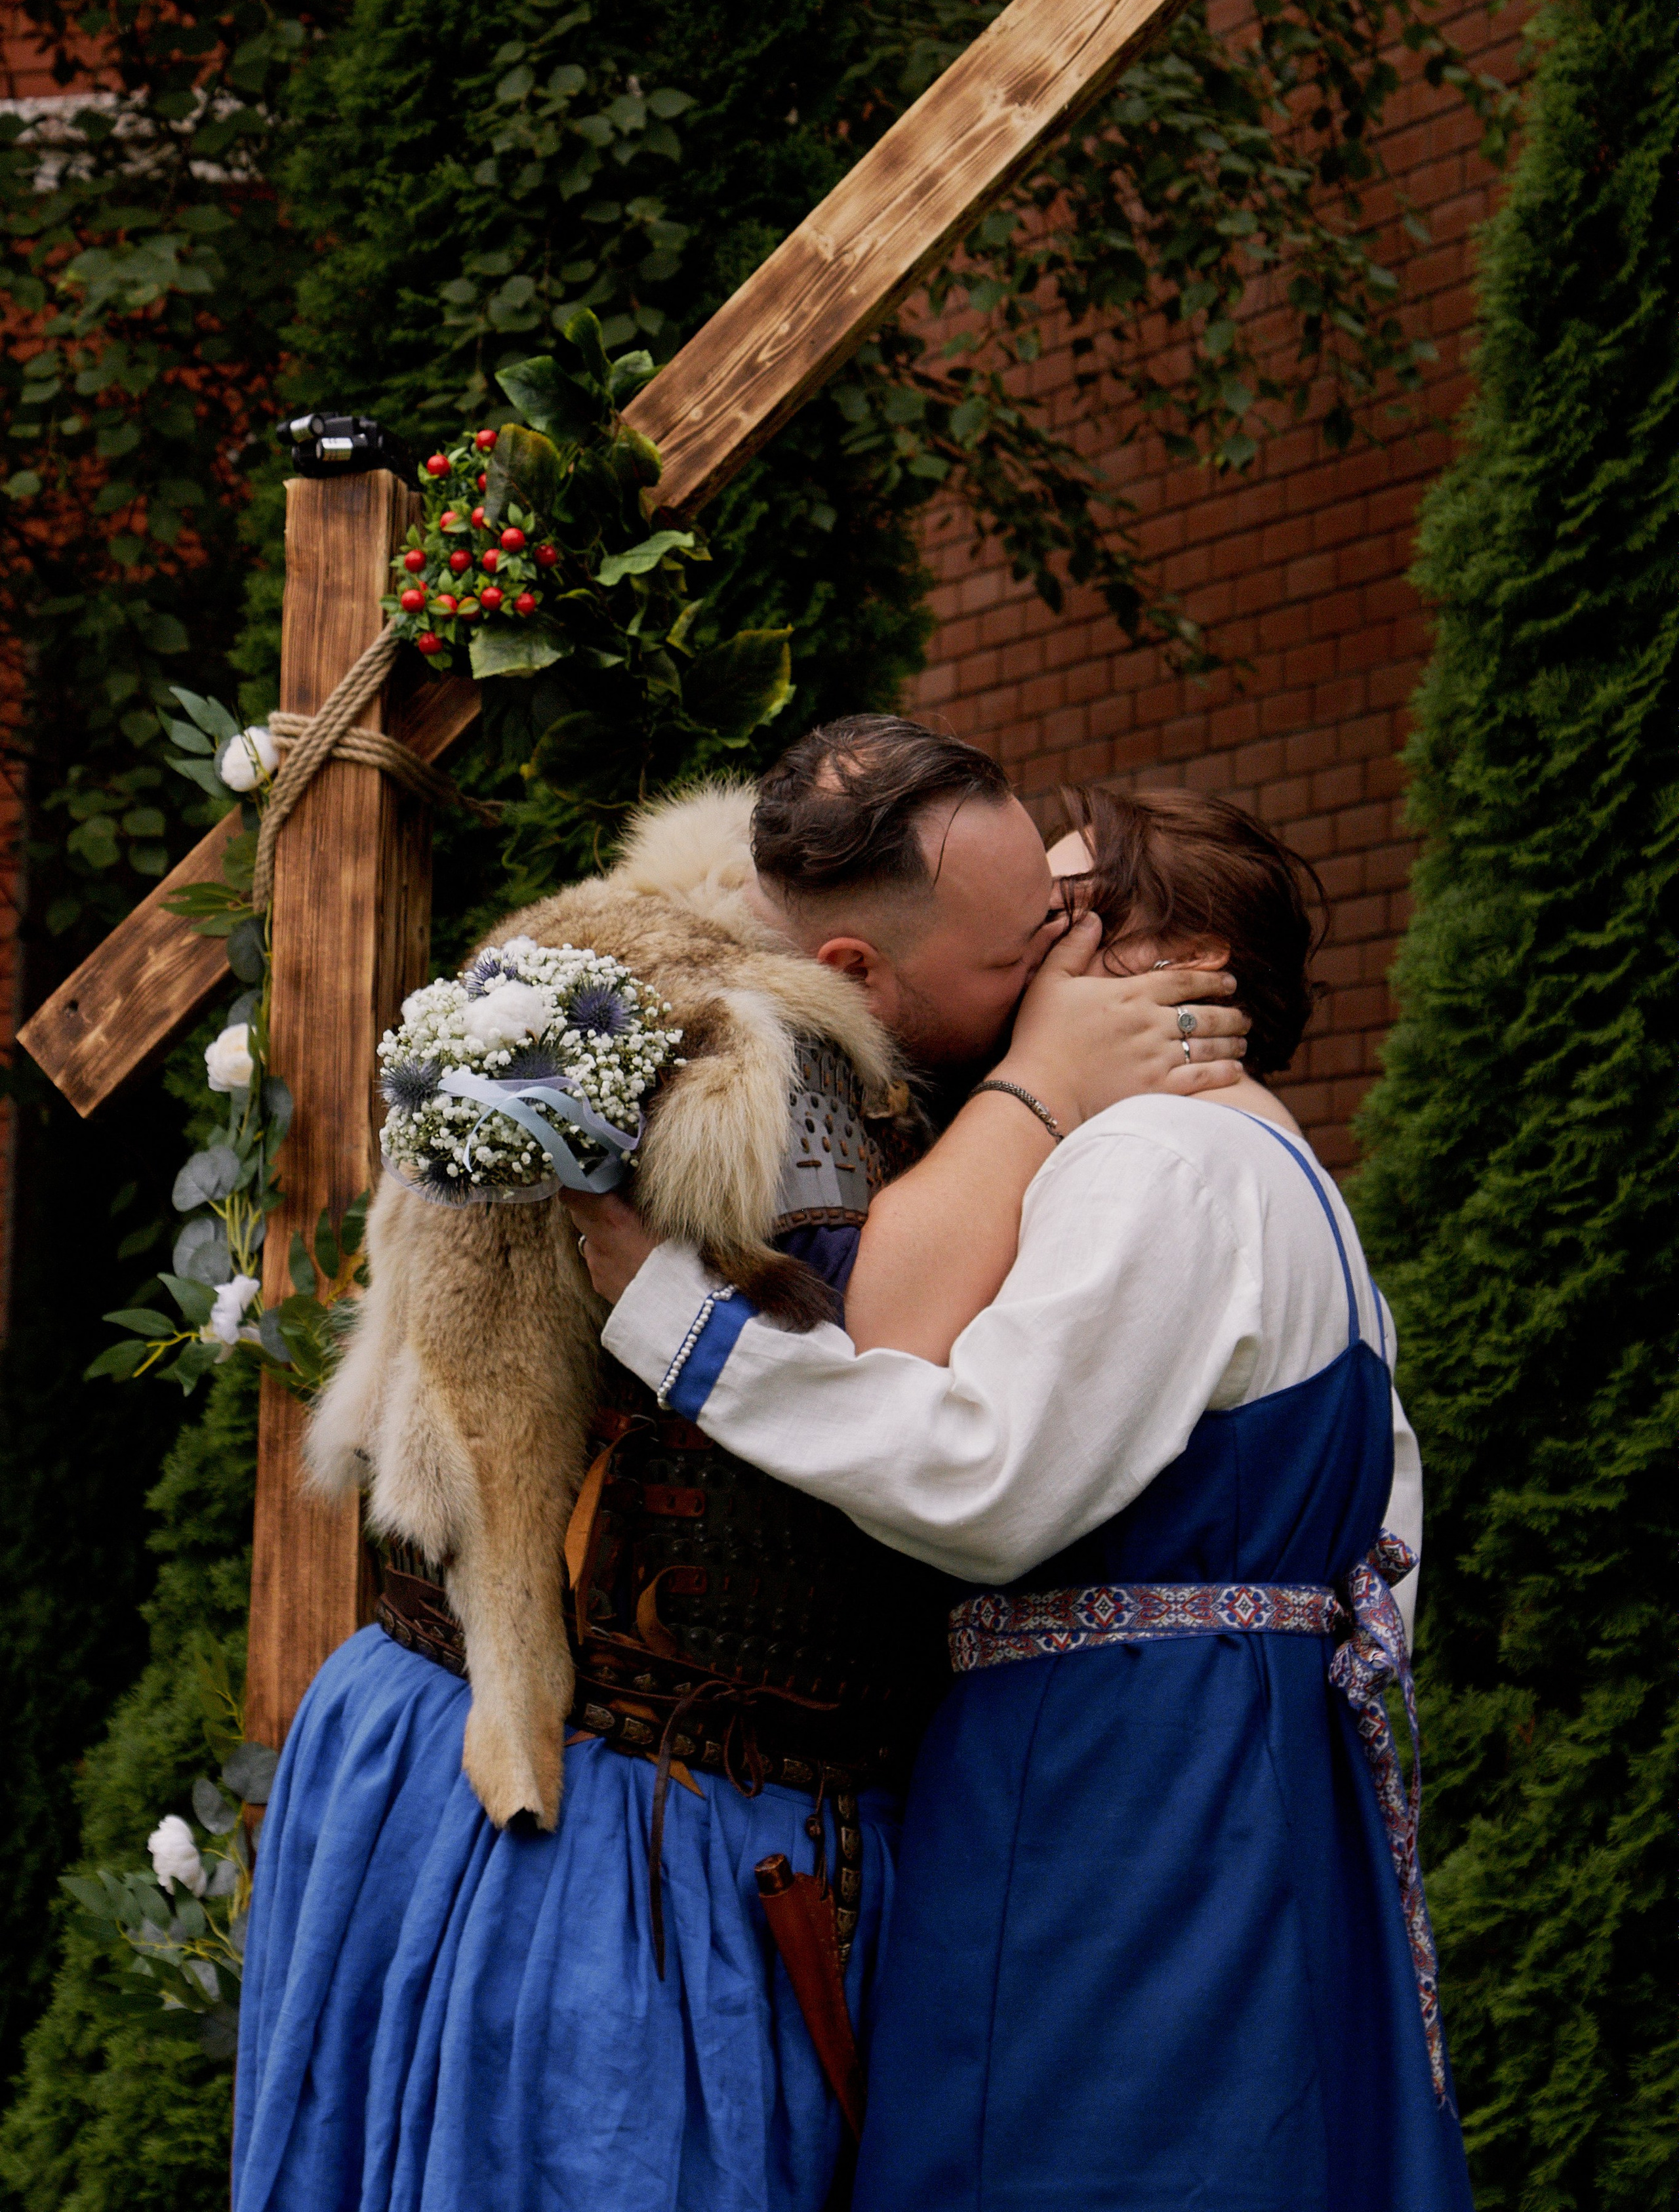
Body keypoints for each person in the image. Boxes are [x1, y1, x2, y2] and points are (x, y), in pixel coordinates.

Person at [233, 726, 1247, 2212]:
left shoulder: (620, 968)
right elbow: (884, 1340)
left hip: (630, 1790)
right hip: (620, 1829)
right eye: (1023, 952)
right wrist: (1040, 1083)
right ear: (854, 962)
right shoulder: (758, 1070)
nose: (1061, 964)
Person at [572, 783, 1475, 2212]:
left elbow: (985, 1476)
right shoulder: (1291, 1175)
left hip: (1115, 1790)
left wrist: (689, 1327)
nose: (1020, 947)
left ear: (1168, 964)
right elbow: (1390, 1536)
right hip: (1244, 1768)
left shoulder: (1155, 1158)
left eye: (1060, 918)